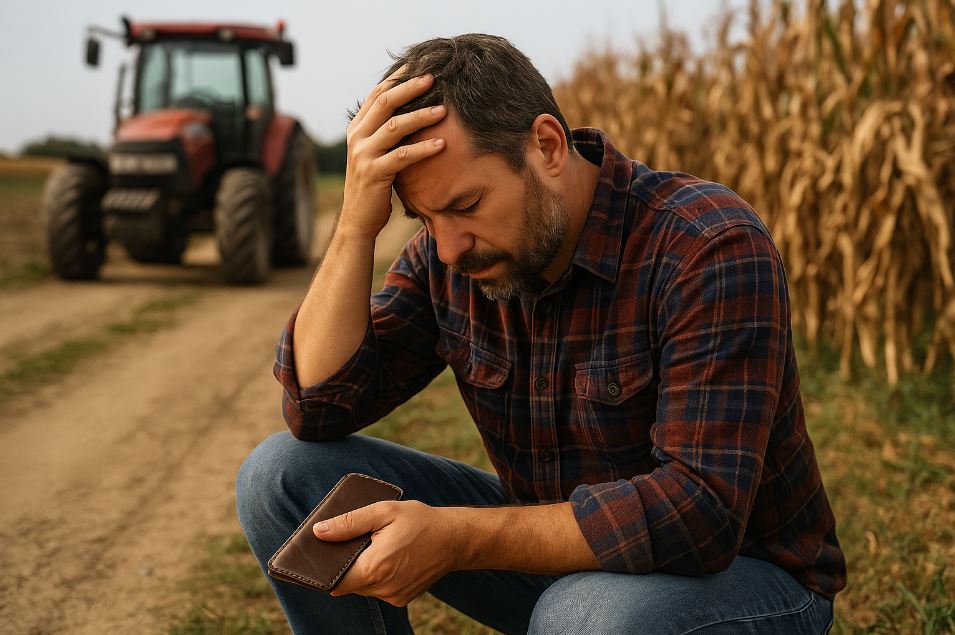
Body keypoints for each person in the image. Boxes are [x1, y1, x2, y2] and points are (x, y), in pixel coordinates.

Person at [237, 34, 846, 634]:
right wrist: (353, 229)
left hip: (743, 579)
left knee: (583, 614)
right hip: (556, 566)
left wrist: (454, 540)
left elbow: (699, 514)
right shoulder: (446, 258)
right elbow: (317, 408)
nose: (448, 248)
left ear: (547, 147)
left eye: (466, 204)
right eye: (425, 219)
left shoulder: (706, 246)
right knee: (282, 476)